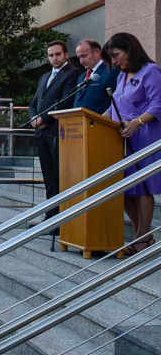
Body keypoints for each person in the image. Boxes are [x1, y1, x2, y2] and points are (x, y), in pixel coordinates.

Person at [103, 32, 161, 254]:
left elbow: (157, 105)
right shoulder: (122, 76)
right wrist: (93, 121)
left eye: (117, 55)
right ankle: (143, 236)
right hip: (122, 138)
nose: (115, 61)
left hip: (143, 136)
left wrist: (137, 123)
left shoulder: (151, 71)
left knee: (143, 187)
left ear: (130, 50)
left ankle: (141, 237)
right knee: (126, 189)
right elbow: (115, 106)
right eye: (112, 57)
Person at [28, 40, 80, 238]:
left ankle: (58, 220)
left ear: (66, 54)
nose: (54, 58)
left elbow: (65, 102)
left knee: (58, 178)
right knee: (49, 178)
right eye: (51, 55)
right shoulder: (44, 77)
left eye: (58, 54)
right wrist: (33, 118)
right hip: (41, 134)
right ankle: (50, 217)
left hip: (58, 132)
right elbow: (34, 103)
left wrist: (43, 119)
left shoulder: (73, 74)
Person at [73, 39, 119, 114]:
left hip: (102, 119)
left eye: (84, 56)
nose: (81, 61)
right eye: (79, 58)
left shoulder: (110, 71)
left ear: (97, 52)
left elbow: (116, 101)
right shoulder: (81, 77)